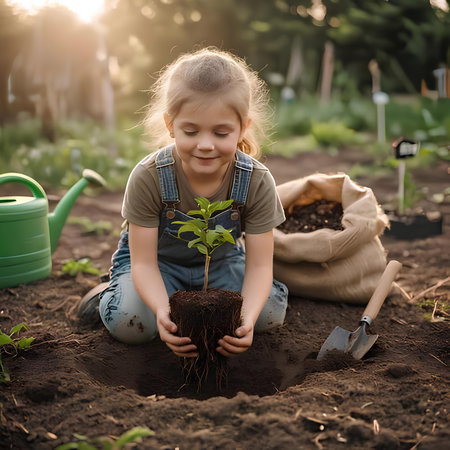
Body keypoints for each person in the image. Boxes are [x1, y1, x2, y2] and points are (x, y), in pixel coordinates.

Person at [79, 47, 288, 358]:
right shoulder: (149, 176)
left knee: (268, 314)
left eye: (221, 132)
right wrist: (165, 313)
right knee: (131, 323)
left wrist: (247, 320)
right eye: (190, 131)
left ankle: (181, 299)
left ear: (243, 127)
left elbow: (258, 266)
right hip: (157, 266)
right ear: (170, 124)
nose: (205, 145)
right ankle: (110, 294)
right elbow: (145, 262)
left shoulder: (255, 179)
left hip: (220, 265)